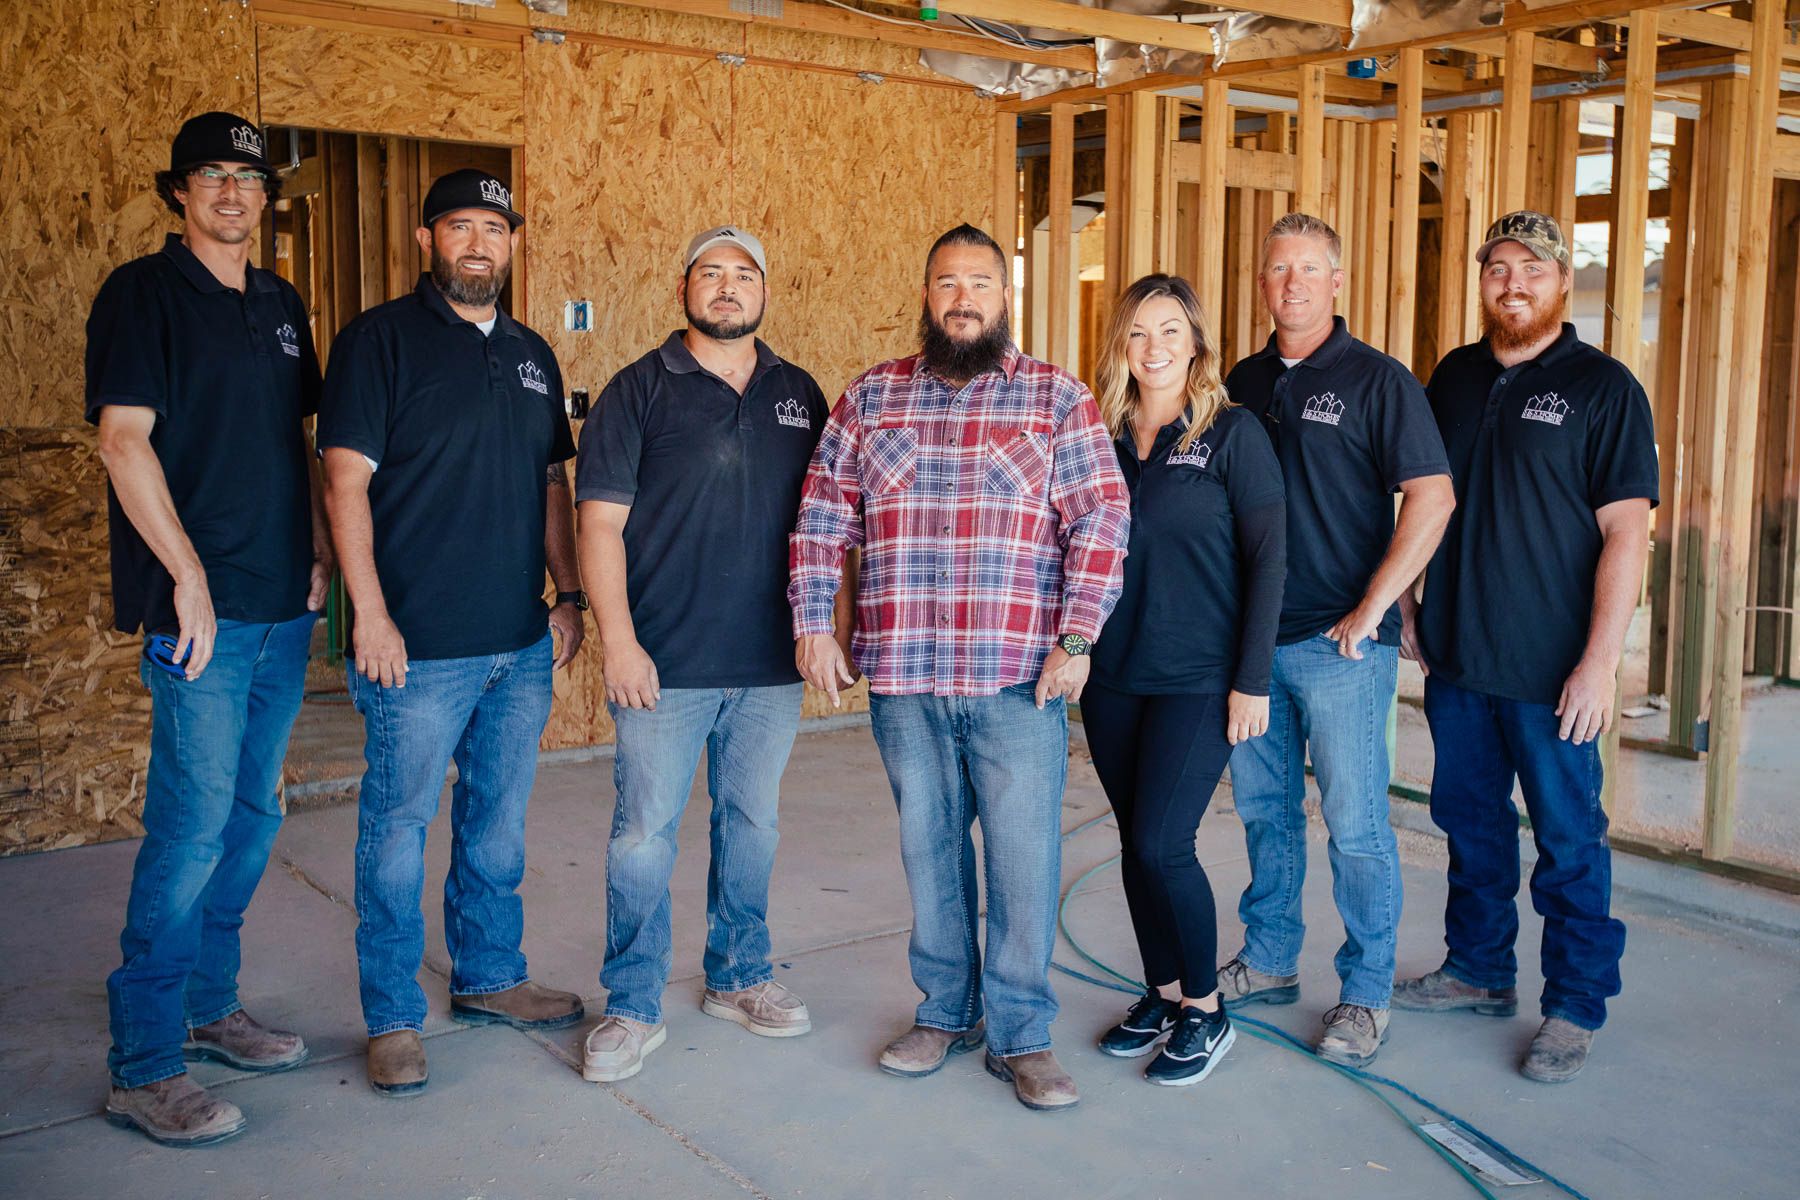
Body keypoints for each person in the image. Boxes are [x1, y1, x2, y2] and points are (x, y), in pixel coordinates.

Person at [789, 224, 1130, 1112]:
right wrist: (813, 624)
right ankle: (946, 1011)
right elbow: (824, 518)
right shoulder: (871, 398)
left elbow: (1101, 520)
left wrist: (1079, 637)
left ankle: (1022, 1033)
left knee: (1021, 857)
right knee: (928, 851)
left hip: (1021, 677)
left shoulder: (1057, 399)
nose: (964, 298)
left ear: (1005, 296)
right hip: (904, 676)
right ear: (927, 294)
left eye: (981, 282)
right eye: (948, 283)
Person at [318, 169, 586, 1098]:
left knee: (497, 828)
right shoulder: (376, 343)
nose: (480, 242)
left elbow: (552, 483)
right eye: (461, 226)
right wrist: (372, 616)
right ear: (429, 239)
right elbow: (344, 484)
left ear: (511, 243)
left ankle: (489, 978)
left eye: (495, 228)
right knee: (397, 832)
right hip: (417, 648)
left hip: (518, 645)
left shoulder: (531, 353)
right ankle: (392, 1015)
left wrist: (568, 595)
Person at [90, 111, 328, 1147]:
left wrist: (319, 552)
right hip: (204, 618)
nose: (233, 191)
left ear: (264, 199)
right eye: (212, 176)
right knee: (189, 830)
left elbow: (302, 442)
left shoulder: (280, 304)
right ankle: (144, 1064)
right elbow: (121, 439)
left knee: (253, 818)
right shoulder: (141, 296)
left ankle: (209, 1004)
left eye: (248, 177)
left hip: (282, 608)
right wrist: (184, 577)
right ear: (178, 192)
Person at [574, 226, 839, 1083]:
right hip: (666, 665)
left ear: (766, 291)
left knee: (752, 824)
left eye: (744, 275)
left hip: (769, 667)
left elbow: (830, 525)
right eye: (711, 274)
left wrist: (827, 625)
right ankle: (633, 1002)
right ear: (683, 287)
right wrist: (619, 641)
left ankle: (739, 975)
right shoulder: (638, 391)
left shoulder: (800, 393)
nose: (727, 289)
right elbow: (600, 525)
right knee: (643, 835)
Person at [1396, 212, 1656, 1084]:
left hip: (1553, 674)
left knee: (1569, 840)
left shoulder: (1605, 388)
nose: (1512, 282)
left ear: (1561, 280)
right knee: (1470, 829)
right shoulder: (1455, 379)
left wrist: (1599, 663)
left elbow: (1627, 534)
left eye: (1531, 269)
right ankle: (1478, 969)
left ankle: (1575, 1005)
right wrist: (1406, 601)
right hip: (1460, 660)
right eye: (1498, 268)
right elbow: (1426, 501)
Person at [1220, 212, 1455, 1066]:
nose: (1292, 283)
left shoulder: (1377, 380)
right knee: (1264, 811)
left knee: (1356, 823)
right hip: (1249, 646)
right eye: (1277, 268)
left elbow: (1432, 497)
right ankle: (1274, 958)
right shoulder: (1239, 380)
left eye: (1309, 269)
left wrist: (1373, 608)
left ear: (1336, 281)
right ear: (1261, 282)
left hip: (1342, 647)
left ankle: (1364, 993)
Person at [1082, 275, 1285, 1086]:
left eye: (1170, 330)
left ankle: (1207, 1009)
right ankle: (1162, 994)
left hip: (1200, 676)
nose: (1154, 347)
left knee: (1167, 843)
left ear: (1196, 343)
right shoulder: (1097, 433)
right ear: (1120, 348)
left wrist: (1253, 679)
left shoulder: (1232, 435)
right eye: (1137, 333)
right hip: (1113, 676)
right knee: (1136, 846)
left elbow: (1270, 561)